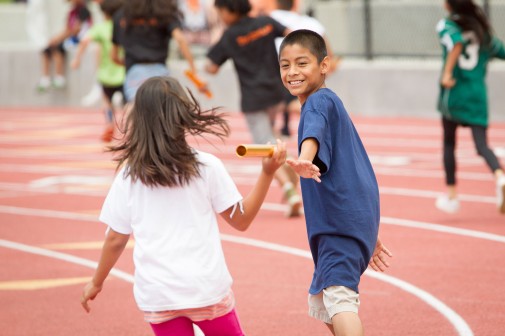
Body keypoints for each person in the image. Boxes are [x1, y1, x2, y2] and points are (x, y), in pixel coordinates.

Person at [80, 76, 289, 336]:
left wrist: (96, 282)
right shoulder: (206, 166)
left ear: (140, 120)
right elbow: (241, 220)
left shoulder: (129, 175)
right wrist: (267, 174)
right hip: (205, 289)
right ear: (182, 115)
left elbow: (115, 239)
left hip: (159, 295)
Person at [279, 30, 392, 335]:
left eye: (302, 63)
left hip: (338, 225)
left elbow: (312, 135)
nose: (292, 72)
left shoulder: (317, 104)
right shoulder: (330, 102)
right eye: (285, 65)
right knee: (324, 299)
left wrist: (304, 158)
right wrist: (367, 228)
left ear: (324, 65)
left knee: (339, 298)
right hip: (351, 220)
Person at [205, 0, 302, 217]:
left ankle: (289, 189)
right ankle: (292, 171)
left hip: (253, 98)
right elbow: (293, 35)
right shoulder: (265, 23)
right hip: (276, 92)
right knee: (271, 137)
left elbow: (210, 67)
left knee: (263, 145)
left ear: (230, 10)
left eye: (220, 11)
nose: (219, 16)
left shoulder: (230, 36)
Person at [435, 0, 505, 214]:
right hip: (477, 95)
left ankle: (452, 196)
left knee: (449, 143)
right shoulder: (481, 31)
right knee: (482, 145)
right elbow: (500, 50)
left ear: (449, 5)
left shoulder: (446, 25)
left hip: (455, 93)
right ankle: (499, 176)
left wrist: (447, 72)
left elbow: (456, 44)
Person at [269, 0, 340, 137]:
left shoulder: (268, 20)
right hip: (310, 75)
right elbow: (329, 54)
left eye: (301, 63)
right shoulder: (311, 23)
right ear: (295, 4)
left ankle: (282, 118)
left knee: (293, 104)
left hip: (274, 75)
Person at [111, 0, 200, 103]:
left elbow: (114, 56)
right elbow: (180, 39)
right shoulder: (164, 13)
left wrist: (127, 62)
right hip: (160, 71)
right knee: (162, 109)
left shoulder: (122, 15)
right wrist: (193, 69)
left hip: (134, 72)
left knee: (135, 109)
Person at [71, 0, 125, 143]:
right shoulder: (123, 26)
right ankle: (129, 127)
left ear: (104, 13)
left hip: (106, 74)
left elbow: (84, 41)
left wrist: (77, 59)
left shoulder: (101, 28)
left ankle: (109, 123)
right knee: (128, 103)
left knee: (107, 101)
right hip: (123, 72)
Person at [36, 0, 92, 92]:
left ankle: (59, 77)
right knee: (46, 50)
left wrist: (59, 38)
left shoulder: (83, 11)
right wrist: (57, 38)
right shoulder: (72, 12)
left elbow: (75, 30)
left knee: (57, 48)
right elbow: (67, 28)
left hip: (78, 39)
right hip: (70, 37)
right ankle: (45, 78)